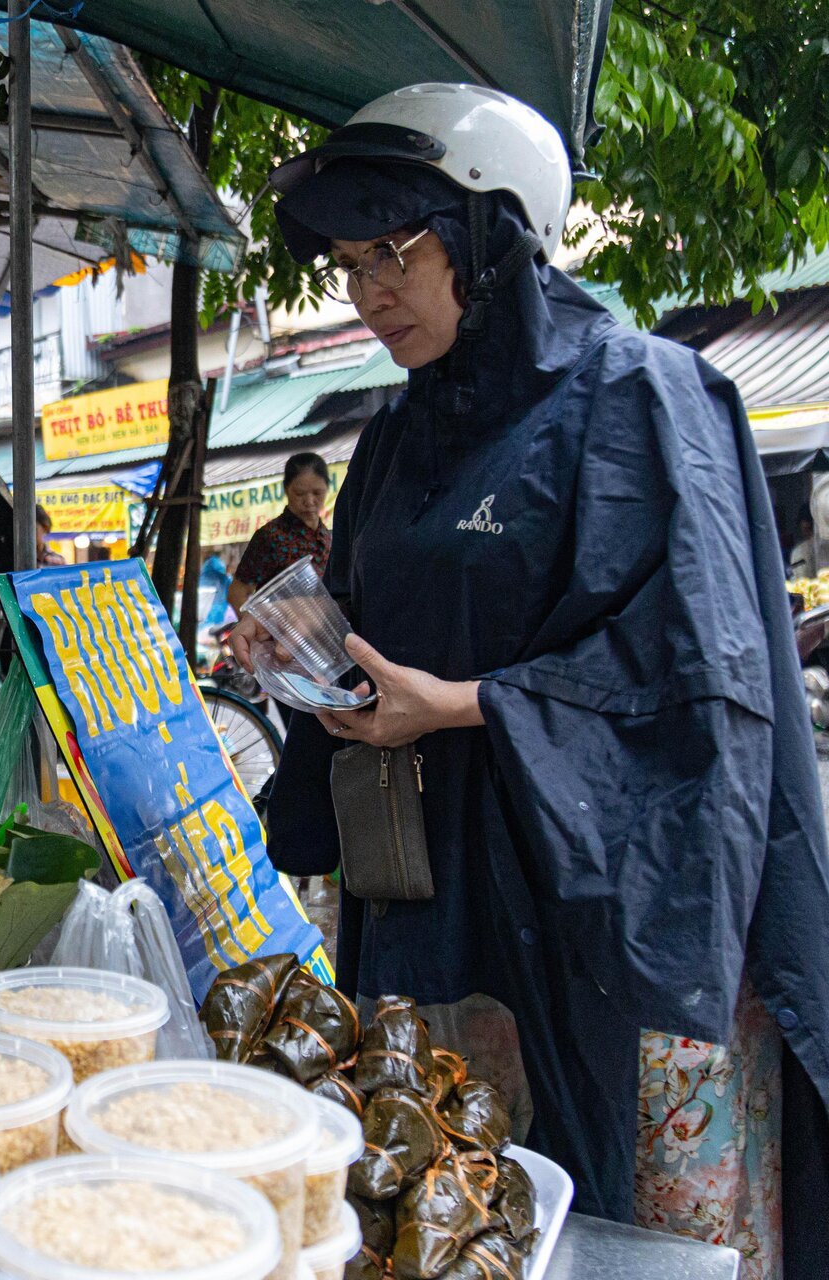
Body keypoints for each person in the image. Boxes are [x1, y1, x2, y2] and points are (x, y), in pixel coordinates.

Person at [237, 83, 829, 1276]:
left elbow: (703, 676)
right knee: (461, 1208)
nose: (366, 292)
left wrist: (464, 706)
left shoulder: (644, 393)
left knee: (625, 1229)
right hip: (436, 902)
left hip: (608, 913)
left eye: (392, 253)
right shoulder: (399, 434)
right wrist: (309, 655)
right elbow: (386, 621)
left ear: (493, 237)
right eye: (349, 263)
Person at [227, 453, 331, 613]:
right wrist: (255, 628)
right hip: (280, 633)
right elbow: (237, 593)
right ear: (286, 489)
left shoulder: (328, 537)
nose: (309, 501)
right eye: (300, 493)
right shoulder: (271, 536)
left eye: (317, 493)